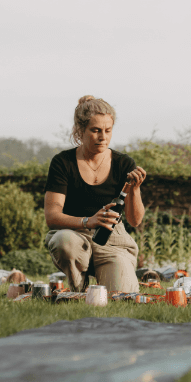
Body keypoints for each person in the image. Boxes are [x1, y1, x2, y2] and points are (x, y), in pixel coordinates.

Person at [44, 95, 147, 292]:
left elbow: (135, 221)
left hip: (113, 239)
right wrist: (87, 221)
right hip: (74, 234)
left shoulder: (123, 164)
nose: (103, 137)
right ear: (80, 131)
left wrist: (134, 189)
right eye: (96, 130)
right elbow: (52, 216)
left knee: (122, 297)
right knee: (63, 241)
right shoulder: (63, 162)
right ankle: (78, 287)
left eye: (108, 131)